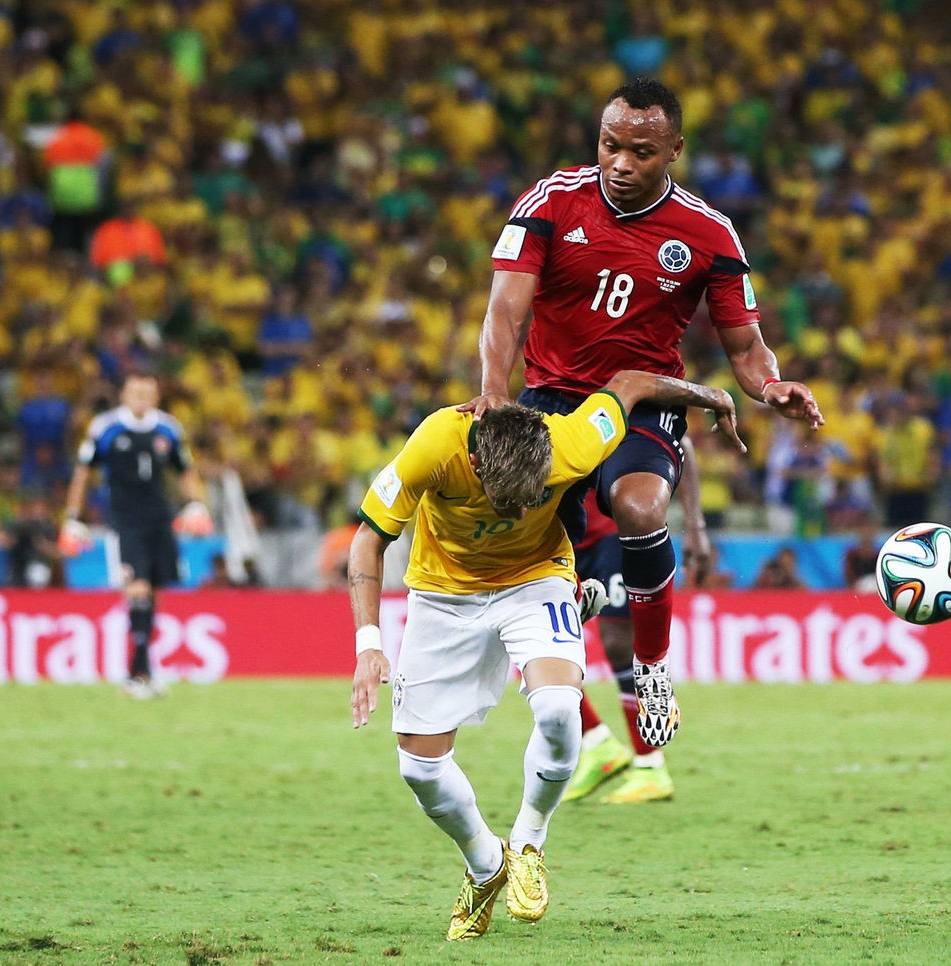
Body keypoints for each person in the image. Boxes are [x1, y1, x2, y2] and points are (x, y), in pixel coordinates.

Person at [463, 76, 824, 748]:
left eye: (641, 151)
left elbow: (746, 348)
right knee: (524, 559)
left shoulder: (710, 234)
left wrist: (772, 387)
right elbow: (505, 310)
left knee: (638, 506)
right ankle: (583, 699)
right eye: (610, 145)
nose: (621, 163)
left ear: (674, 150)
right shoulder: (550, 201)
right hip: (552, 402)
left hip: (646, 404)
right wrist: (494, 393)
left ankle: (652, 666)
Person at [349, 369, 742, 942]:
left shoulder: (571, 439)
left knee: (559, 708)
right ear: (476, 463)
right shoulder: (434, 444)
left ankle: (529, 842)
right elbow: (369, 538)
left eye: (531, 499)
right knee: (420, 770)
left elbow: (630, 384)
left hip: (536, 581)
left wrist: (711, 396)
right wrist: (368, 644)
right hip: (442, 595)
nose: (516, 513)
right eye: (506, 501)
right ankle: (486, 865)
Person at [564, 436, 709, 805]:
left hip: (615, 532)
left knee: (617, 642)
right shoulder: (547, 406)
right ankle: (596, 742)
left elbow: (682, 442)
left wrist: (695, 525)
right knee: (530, 638)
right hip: (564, 535)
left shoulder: (621, 405)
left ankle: (649, 764)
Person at [62, 373, 211, 698]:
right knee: (137, 588)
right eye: (135, 392)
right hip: (125, 520)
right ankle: (136, 675)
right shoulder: (106, 428)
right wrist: (73, 516)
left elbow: (185, 470)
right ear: (124, 395)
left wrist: (196, 503)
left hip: (160, 519)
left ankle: (142, 672)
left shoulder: (168, 428)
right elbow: (83, 472)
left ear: (156, 396)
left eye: (147, 392)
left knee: (155, 593)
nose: (141, 397)